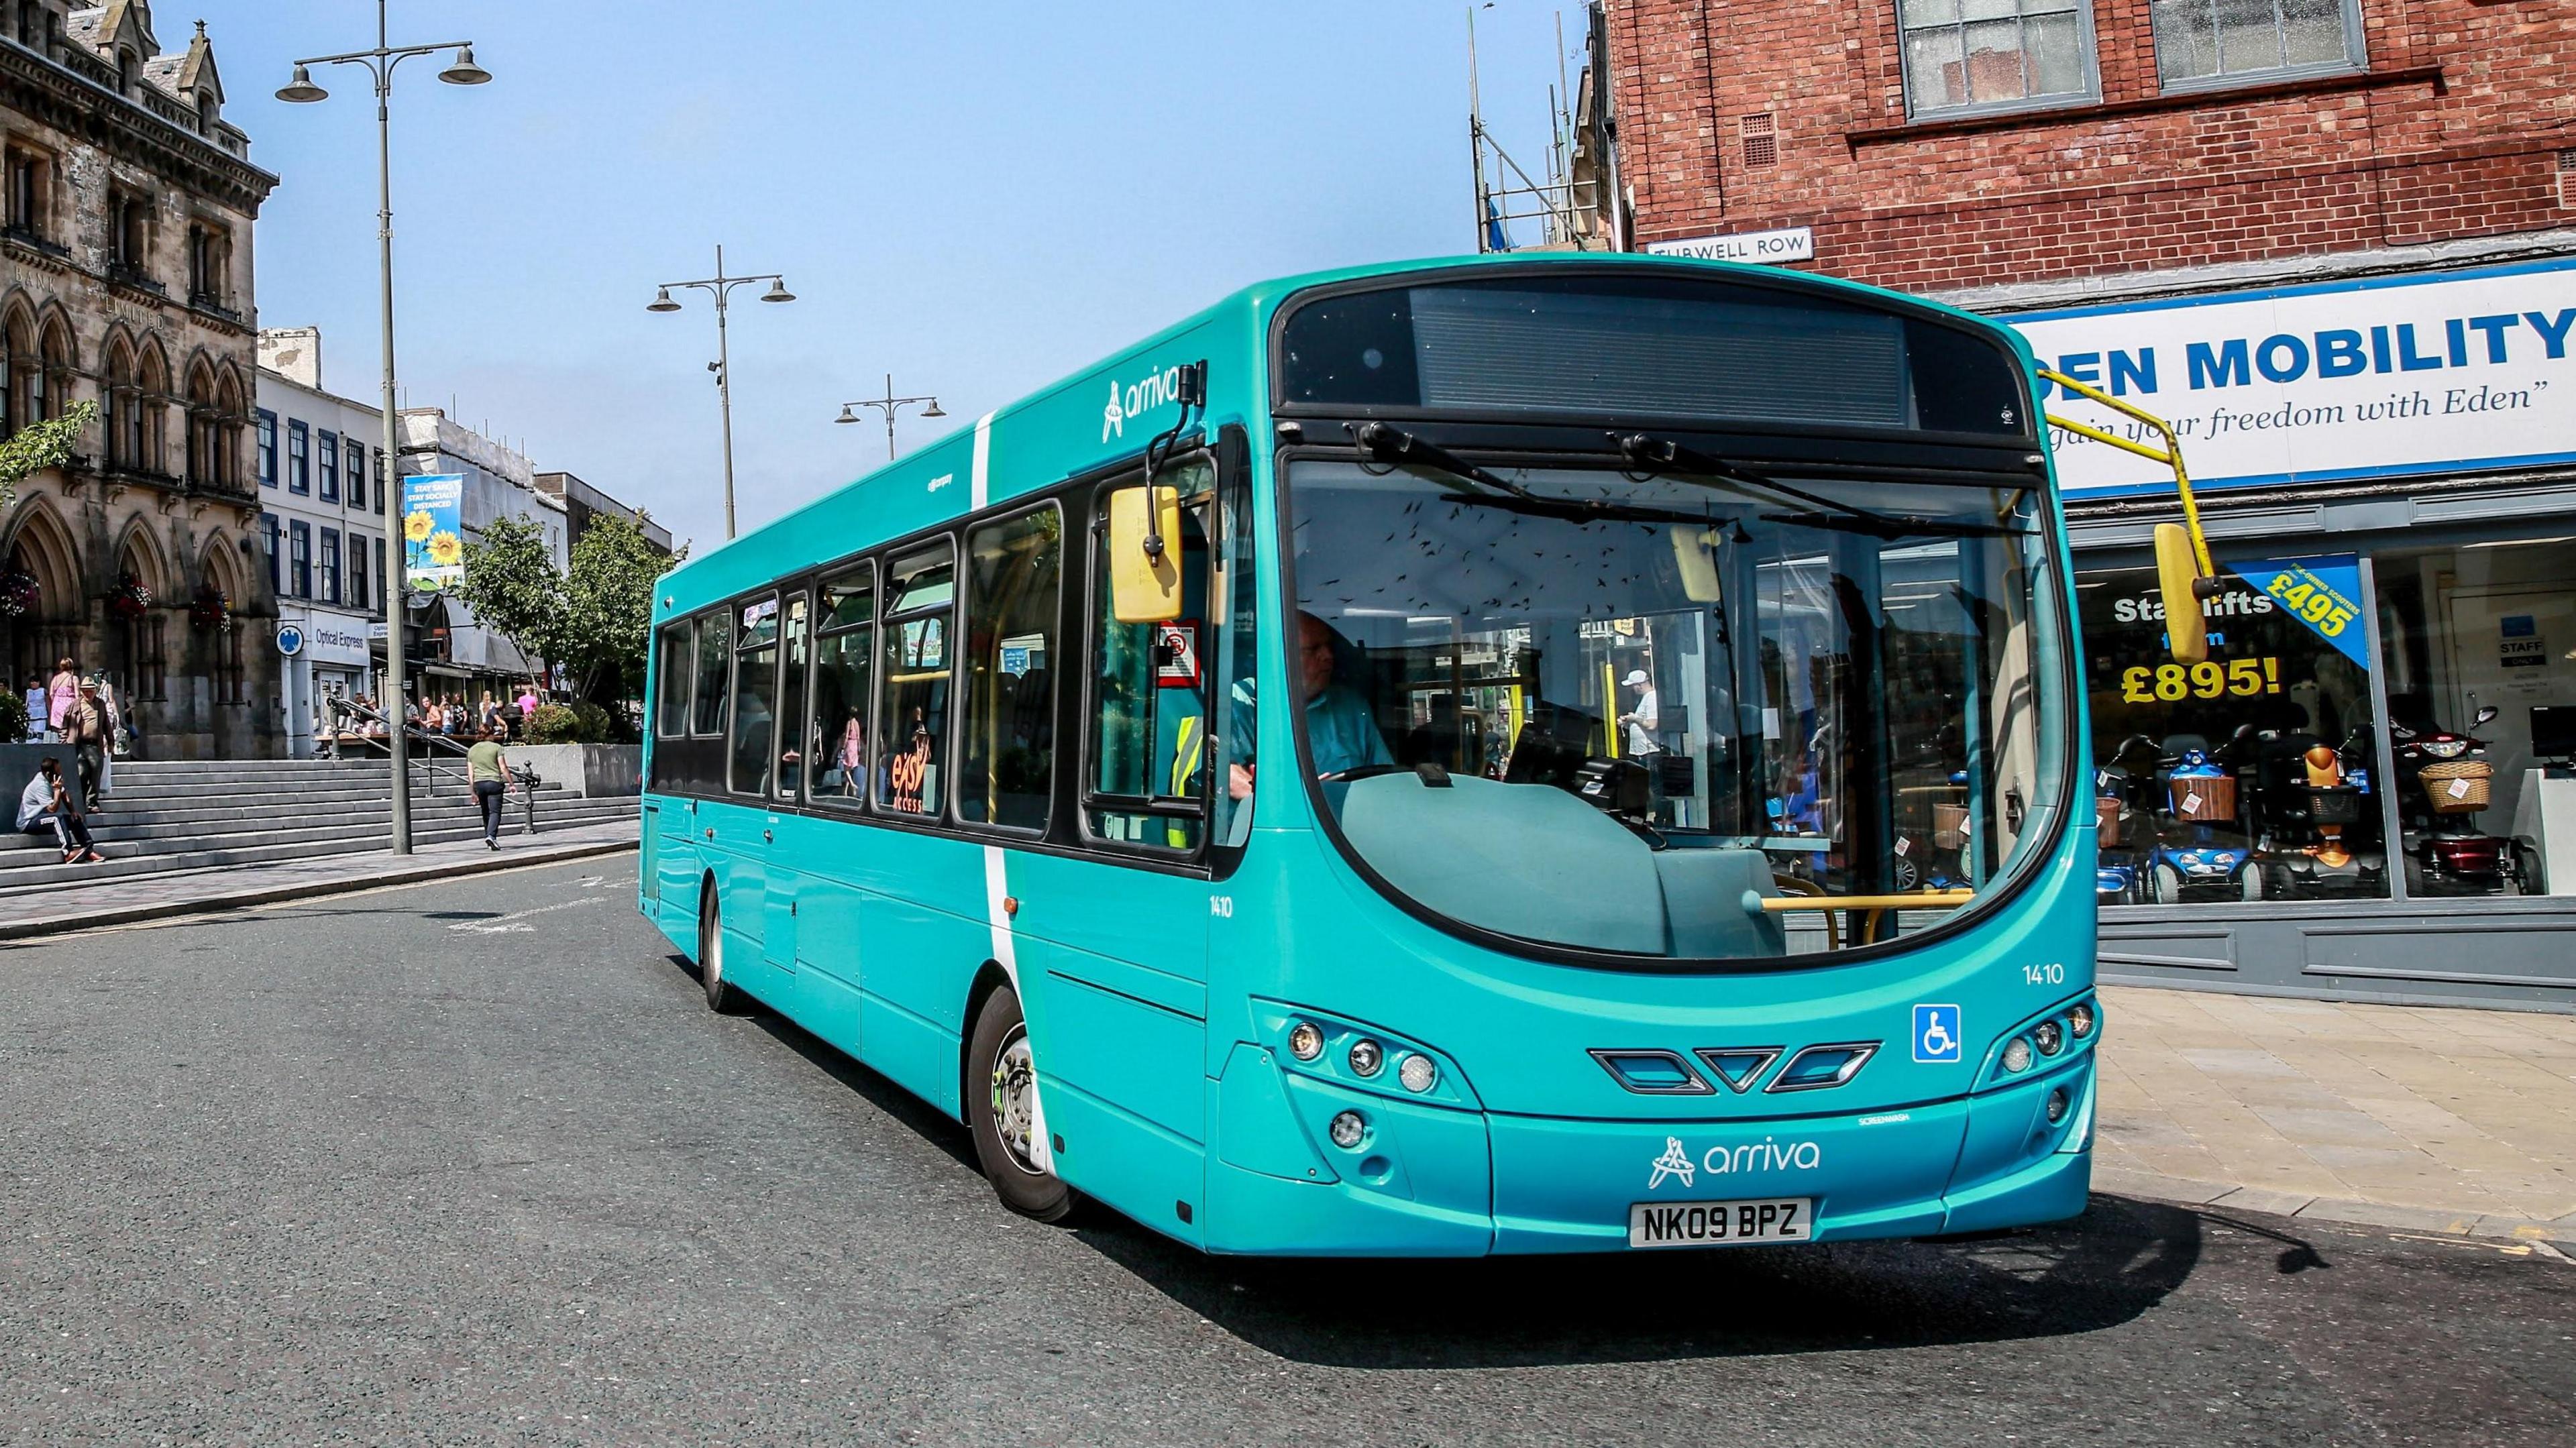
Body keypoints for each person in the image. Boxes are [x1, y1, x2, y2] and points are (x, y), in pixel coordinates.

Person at [1228, 611, 1392, 801]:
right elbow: (1223, 775)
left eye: (1329, 646)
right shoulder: (1236, 703)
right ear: (1281, 655)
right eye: (1313, 649)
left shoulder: (1351, 708)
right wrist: (1289, 800)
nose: (1328, 656)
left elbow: (1384, 778)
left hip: (1347, 816)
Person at [17, 757, 102, 864]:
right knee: (57, 818)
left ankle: (89, 850)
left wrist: (73, 812)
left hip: (44, 820)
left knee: (75, 818)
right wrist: (57, 791)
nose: (60, 773)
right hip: (29, 823)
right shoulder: (40, 785)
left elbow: (65, 795)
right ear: (49, 774)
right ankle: (68, 853)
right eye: (58, 771)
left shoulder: (52, 779)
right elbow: (52, 810)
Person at [466, 720, 512, 850]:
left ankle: (489, 835)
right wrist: (511, 783)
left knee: (485, 812)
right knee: (495, 811)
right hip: (494, 783)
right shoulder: (497, 747)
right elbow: (503, 767)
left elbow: (470, 773)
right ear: (490, 735)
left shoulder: (472, 750)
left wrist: (472, 792)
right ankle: (491, 836)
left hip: (479, 784)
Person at [66, 677, 109, 811]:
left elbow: (106, 724)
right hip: (80, 745)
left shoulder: (100, 704)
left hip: (95, 745)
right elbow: (65, 723)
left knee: (96, 773)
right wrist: (65, 740)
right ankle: (81, 803)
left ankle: (92, 803)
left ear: (95, 691)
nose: (88, 694)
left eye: (90, 691)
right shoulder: (75, 705)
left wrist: (110, 741)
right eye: (85, 691)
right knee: (82, 773)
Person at [1617, 669, 1663, 760]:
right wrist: (1627, 722)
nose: (1632, 689)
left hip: (1649, 752)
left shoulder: (1651, 698)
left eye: (1632, 686)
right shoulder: (1646, 698)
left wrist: (1634, 718)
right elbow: (1642, 722)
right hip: (1642, 751)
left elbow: (1652, 725)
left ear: (1639, 685)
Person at [45, 656, 76, 740]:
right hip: (69, 705)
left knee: (59, 729)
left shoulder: (55, 678)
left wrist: (57, 702)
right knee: (70, 728)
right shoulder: (73, 678)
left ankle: (61, 742)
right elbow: (78, 695)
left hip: (57, 704)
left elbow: (51, 694)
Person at [21, 674, 44, 742]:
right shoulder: (28, 692)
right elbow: (26, 703)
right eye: (31, 682)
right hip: (30, 715)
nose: (33, 683)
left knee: (39, 736)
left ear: (39, 682)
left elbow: (48, 703)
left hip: (41, 716)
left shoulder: (43, 691)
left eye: (35, 681)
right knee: (30, 736)